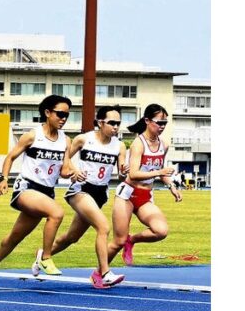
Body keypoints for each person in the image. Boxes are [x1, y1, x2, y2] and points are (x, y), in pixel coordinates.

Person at [0, 94, 73, 289]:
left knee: (15, 237)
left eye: (66, 115)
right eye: (60, 114)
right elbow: (10, 157)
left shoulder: (66, 141)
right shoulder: (33, 135)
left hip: (47, 192)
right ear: (47, 113)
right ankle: (45, 257)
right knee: (56, 213)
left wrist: (75, 173)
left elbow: (64, 170)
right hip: (26, 188)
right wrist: (4, 179)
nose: (63, 118)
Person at [49, 106, 127, 289]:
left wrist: (124, 172)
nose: (116, 127)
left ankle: (43, 255)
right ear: (100, 123)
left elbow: (122, 175)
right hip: (80, 190)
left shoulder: (119, 146)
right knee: (103, 227)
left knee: (71, 237)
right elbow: (64, 160)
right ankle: (104, 273)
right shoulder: (84, 139)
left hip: (100, 194)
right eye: (112, 123)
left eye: (118, 124)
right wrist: (74, 171)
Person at [108, 103, 182, 266]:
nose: (162, 127)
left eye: (165, 123)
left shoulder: (164, 145)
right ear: (147, 121)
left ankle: (132, 240)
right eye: (159, 123)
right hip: (127, 194)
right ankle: (100, 272)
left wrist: (171, 186)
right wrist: (159, 173)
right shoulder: (138, 144)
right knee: (118, 241)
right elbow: (133, 174)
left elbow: (160, 170)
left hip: (145, 197)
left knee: (161, 231)